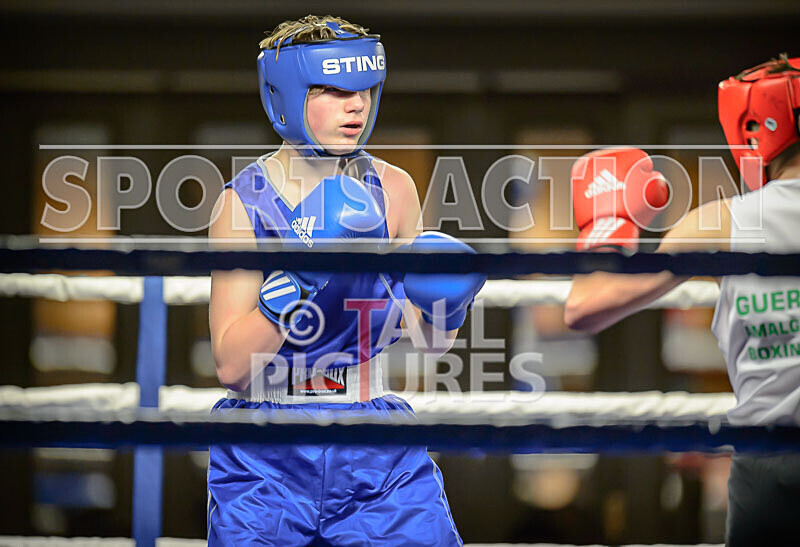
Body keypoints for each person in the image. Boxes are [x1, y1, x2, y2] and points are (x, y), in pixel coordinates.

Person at [206, 15, 483, 546]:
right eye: (333, 90)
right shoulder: (242, 204)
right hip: (266, 449)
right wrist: (297, 280)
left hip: (374, 443)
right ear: (286, 96)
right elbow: (232, 368)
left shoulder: (394, 189)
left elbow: (431, 342)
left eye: (364, 90)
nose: (355, 105)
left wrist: (446, 303)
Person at [563, 54, 800, 546]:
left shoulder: (726, 222)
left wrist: (607, 226)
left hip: (769, 463)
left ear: (751, 127)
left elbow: (583, 309)